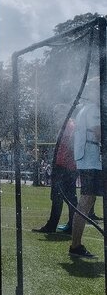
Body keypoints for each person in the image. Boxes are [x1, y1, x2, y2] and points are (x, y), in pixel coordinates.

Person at [33, 104, 78, 234]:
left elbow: (70, 146)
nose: (55, 116)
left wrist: (64, 164)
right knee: (68, 197)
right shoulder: (68, 125)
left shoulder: (69, 126)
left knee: (61, 196)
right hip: (66, 166)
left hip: (65, 167)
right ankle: (70, 225)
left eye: (57, 113)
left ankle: (54, 225)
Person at [69, 79, 101, 258]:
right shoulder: (94, 110)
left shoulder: (84, 109)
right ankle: (75, 245)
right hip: (91, 160)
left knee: (87, 200)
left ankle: (76, 245)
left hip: (89, 159)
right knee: (87, 199)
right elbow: (99, 133)